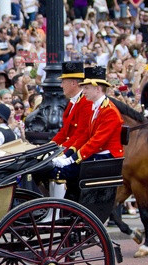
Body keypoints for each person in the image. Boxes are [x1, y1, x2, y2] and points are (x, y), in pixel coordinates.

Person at [52, 66, 124, 195]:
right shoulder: (96, 107)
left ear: (97, 89)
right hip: (96, 156)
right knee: (54, 169)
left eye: (86, 88)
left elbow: (96, 141)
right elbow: (85, 135)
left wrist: (72, 159)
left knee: (58, 171)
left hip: (105, 159)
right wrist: (67, 155)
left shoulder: (110, 111)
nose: (83, 91)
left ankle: (61, 207)